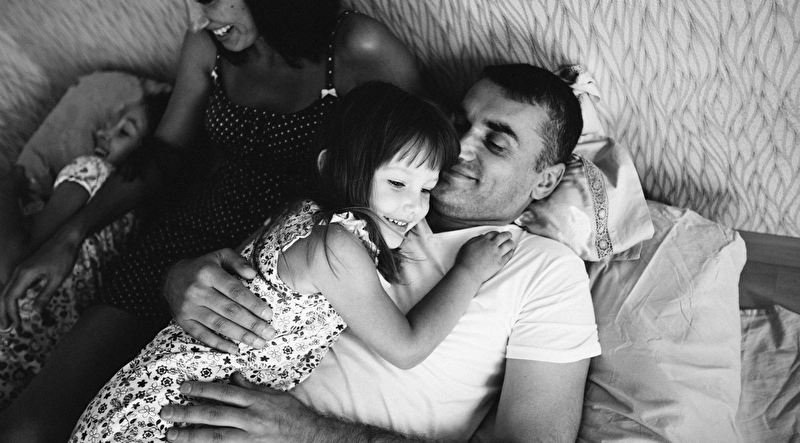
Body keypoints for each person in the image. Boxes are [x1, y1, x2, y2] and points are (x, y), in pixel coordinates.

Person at [0, 0, 420, 440]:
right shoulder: (207, 50)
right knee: (27, 428)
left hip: (261, 276)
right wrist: (71, 235)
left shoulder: (359, 49)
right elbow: (164, 155)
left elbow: (413, 161)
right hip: (176, 250)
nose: (195, 20)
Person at [150, 64, 602, 442]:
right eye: (459, 124)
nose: (461, 146)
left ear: (546, 180)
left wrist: (307, 432)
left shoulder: (546, 271)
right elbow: (258, 259)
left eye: (497, 143)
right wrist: (178, 279)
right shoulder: (361, 193)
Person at [70, 82, 515, 442]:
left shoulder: (299, 214)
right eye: (398, 183)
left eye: (426, 188)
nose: (415, 206)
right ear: (333, 166)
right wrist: (468, 271)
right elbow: (407, 348)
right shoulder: (336, 246)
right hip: (161, 417)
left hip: (149, 398)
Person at [0, 92, 170, 410]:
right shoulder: (139, 222)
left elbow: (12, 262)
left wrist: (7, 188)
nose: (102, 133)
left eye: (124, 131)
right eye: (110, 125)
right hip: (37, 368)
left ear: (146, 150)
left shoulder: (93, 171)